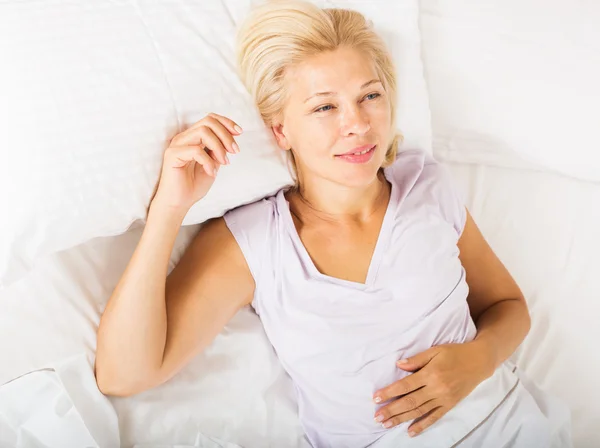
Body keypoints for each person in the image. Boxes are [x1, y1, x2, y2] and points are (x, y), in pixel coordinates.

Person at [94, 1, 572, 447]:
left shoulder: (424, 186)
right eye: (325, 107)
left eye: (370, 96)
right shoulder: (255, 242)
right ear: (280, 129)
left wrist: (479, 359)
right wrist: (168, 210)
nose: (358, 124)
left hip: (514, 427)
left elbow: (509, 306)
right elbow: (122, 375)